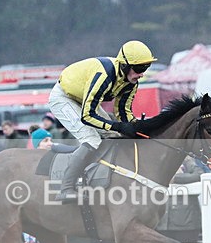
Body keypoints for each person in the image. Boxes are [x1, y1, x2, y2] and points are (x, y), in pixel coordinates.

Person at [48, 40, 157, 203]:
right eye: (139, 69)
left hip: (83, 99)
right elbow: (87, 116)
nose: (142, 74)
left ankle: (100, 176)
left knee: (114, 135)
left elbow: (123, 112)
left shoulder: (131, 83)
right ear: (124, 66)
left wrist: (137, 128)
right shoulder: (105, 75)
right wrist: (118, 126)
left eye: (145, 68)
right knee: (92, 139)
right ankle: (66, 188)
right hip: (64, 98)